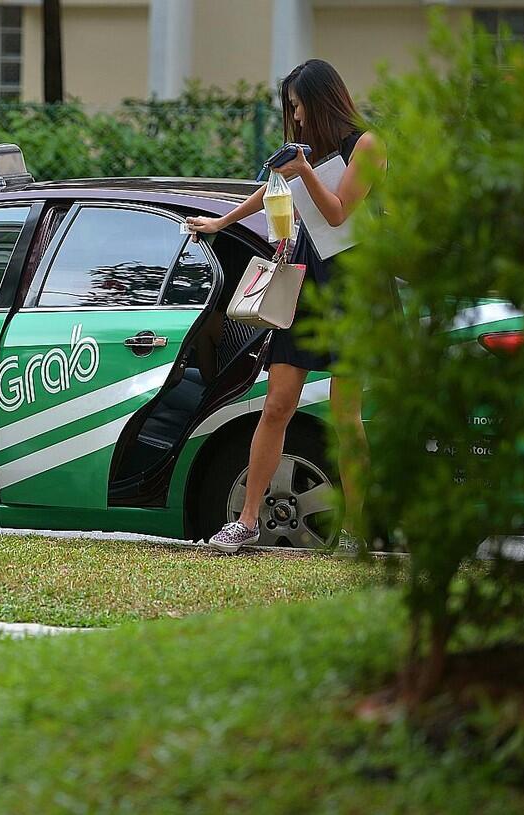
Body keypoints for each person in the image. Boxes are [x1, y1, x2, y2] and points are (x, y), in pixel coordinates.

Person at [185, 58, 386, 554]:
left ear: (320, 101)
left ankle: (360, 529)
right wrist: (222, 222)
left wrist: (302, 172)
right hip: (307, 283)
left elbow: (338, 212)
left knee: (346, 415)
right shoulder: (307, 152)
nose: (294, 118)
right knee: (276, 405)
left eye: (297, 107)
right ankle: (247, 521)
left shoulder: (367, 145)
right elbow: (270, 192)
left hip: (355, 287)